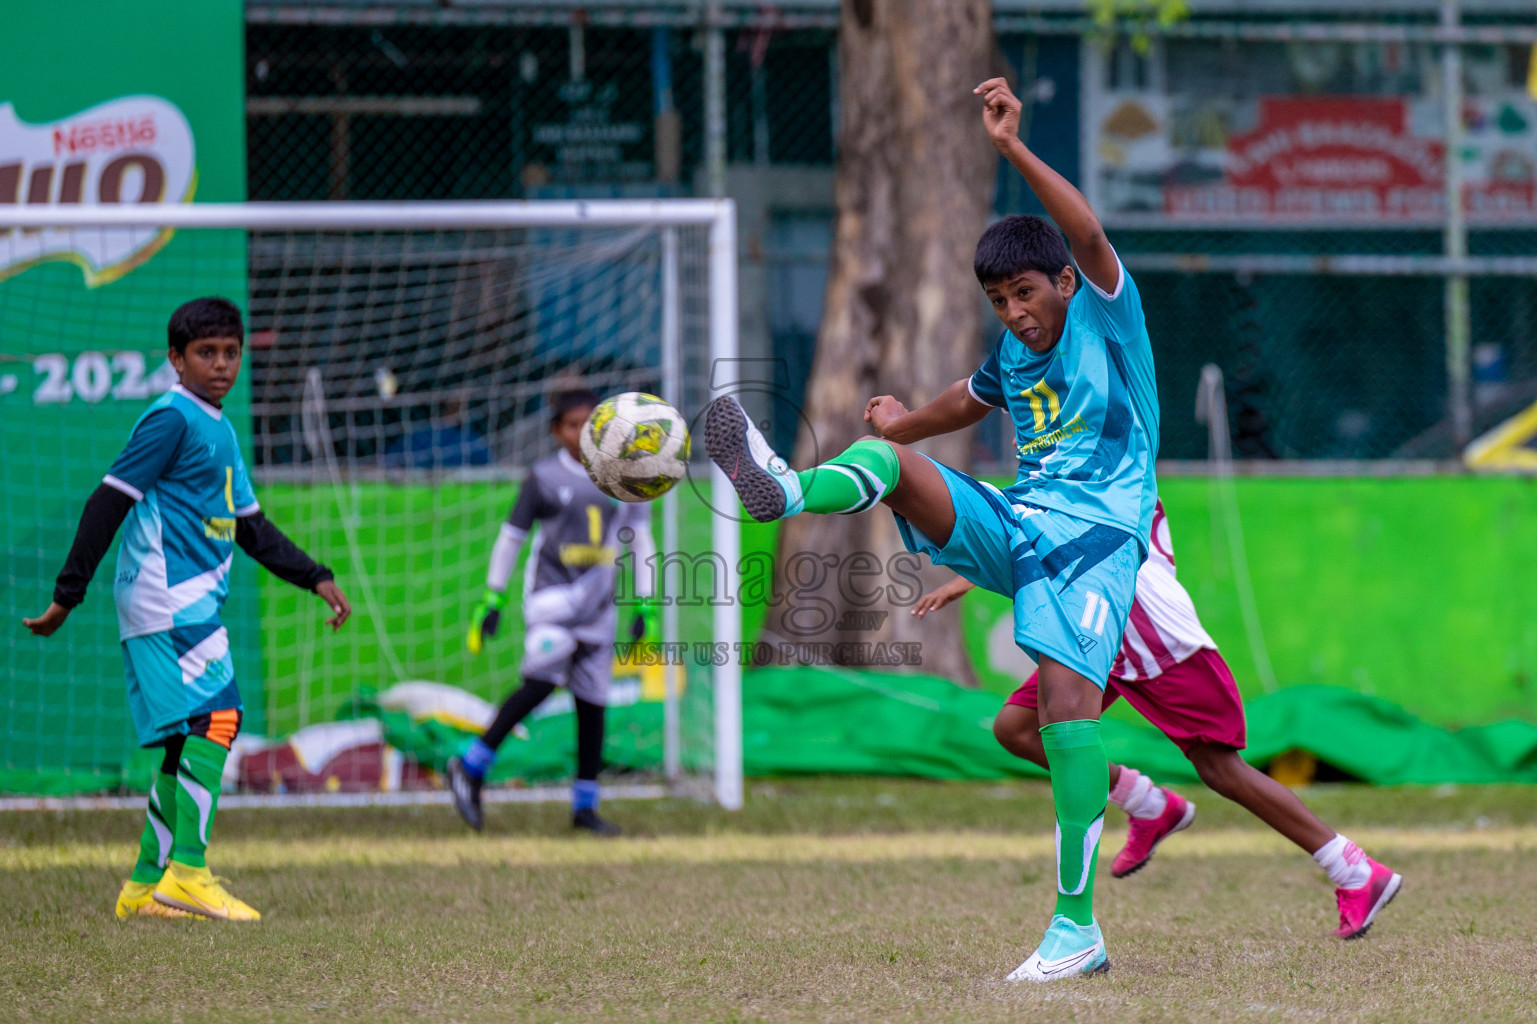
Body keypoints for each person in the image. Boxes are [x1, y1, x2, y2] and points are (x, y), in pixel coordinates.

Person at [706, 78, 1157, 981]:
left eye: (1025, 293)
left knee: (1064, 711)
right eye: (997, 300)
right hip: (1023, 524)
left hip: (1097, 541)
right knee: (890, 469)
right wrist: (904, 425)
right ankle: (785, 492)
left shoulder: (1105, 313)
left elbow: (1092, 233)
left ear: (1064, 281)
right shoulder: (1014, 352)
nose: (1015, 312)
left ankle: (1077, 929)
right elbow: (971, 394)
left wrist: (1011, 150)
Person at [912, 499, 1403, 941]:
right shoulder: (1074, 454)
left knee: (1220, 768)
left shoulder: (1110, 457)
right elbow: (1041, 528)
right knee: (1016, 728)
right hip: (1098, 633)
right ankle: (1147, 803)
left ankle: (1354, 870)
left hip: (1151, 635)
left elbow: (1069, 532)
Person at [23, 297, 351, 922]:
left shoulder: (219, 427)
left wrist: (316, 577)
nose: (221, 364)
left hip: (187, 602)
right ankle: (190, 871)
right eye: (206, 353)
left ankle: (145, 887)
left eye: (230, 352)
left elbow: (251, 528)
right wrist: (68, 594)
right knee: (220, 719)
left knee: (188, 740)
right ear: (176, 360)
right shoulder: (171, 418)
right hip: (166, 598)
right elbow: (107, 501)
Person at [449, 388, 655, 836]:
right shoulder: (542, 478)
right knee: (541, 683)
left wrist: (646, 601)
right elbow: (511, 538)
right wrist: (493, 598)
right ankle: (470, 765)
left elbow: (640, 539)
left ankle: (585, 806)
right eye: (571, 425)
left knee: (592, 704)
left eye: (589, 424)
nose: (580, 433)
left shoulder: (628, 477)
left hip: (600, 606)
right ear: (555, 430)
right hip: (551, 600)